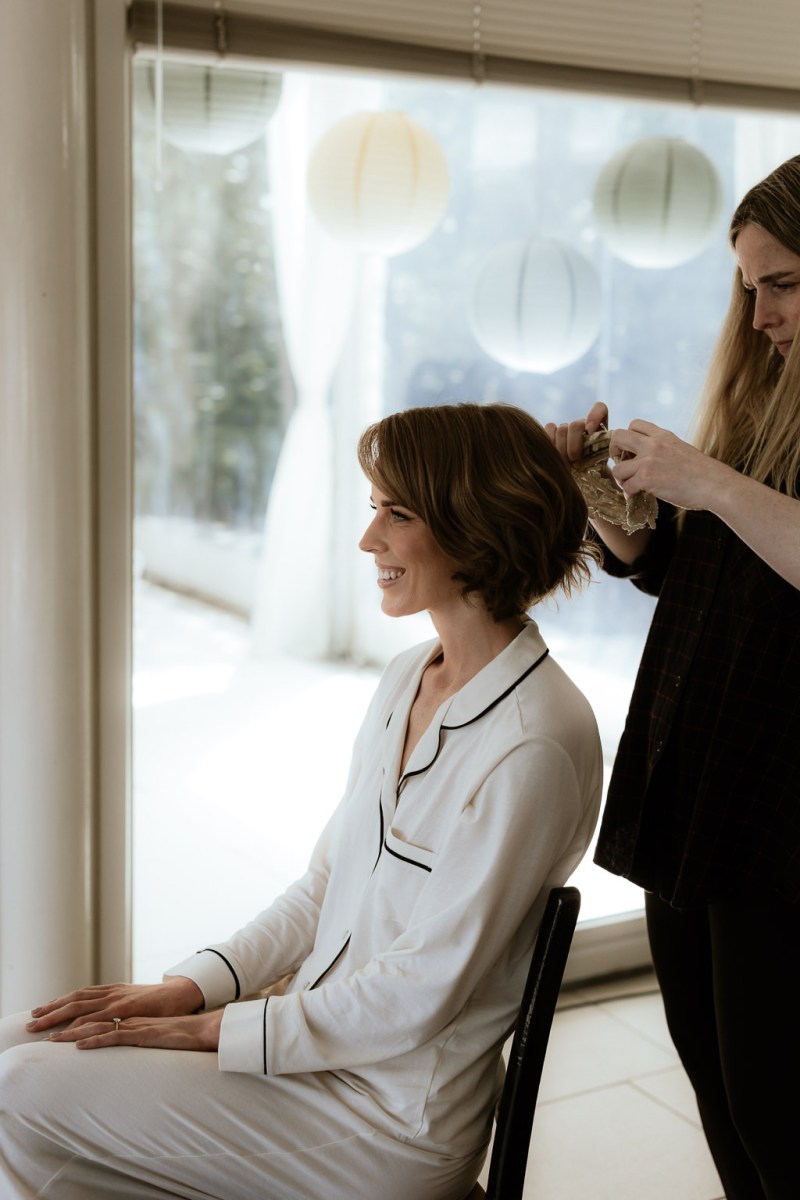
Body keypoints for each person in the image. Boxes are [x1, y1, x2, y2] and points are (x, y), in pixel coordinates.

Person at [0, 402, 602, 1200]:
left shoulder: (537, 741)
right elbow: (323, 889)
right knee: (23, 1048)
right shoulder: (409, 677)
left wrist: (216, 1031)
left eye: (397, 514)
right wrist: (194, 987)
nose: (369, 541)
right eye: (374, 510)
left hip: (388, 1119)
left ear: (473, 526)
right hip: (317, 1061)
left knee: (24, 1089)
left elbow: (420, 990)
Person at [547, 156, 800, 1200]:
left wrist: (704, 478)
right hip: (699, 782)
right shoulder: (763, 403)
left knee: (777, 1108)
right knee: (720, 1095)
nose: (758, 314)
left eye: (781, 281)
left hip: (782, 818)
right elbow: (692, 578)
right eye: (746, 288)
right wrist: (605, 508)